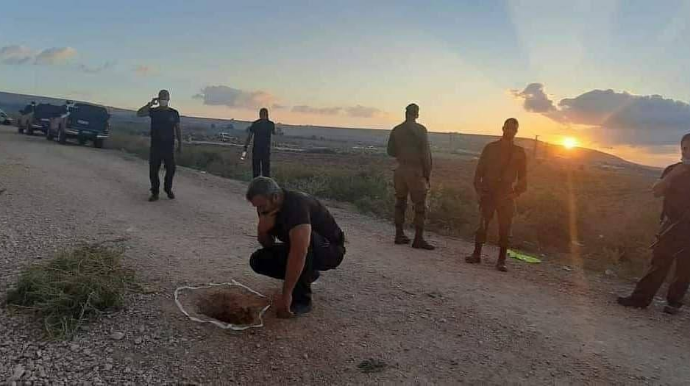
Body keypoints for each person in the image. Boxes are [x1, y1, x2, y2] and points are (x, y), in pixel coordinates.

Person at [246, 177, 346, 317]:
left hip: (331, 251)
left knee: (304, 244)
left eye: (261, 206)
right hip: (303, 248)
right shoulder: (266, 208)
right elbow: (268, 245)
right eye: (256, 207)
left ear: (275, 197)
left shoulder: (297, 206)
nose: (259, 210)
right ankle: (308, 274)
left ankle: (302, 300)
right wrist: (262, 230)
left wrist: (286, 294)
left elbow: (299, 253)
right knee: (258, 260)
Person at [618, 134, 690, 315]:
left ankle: (674, 303)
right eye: (685, 148)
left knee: (685, 268)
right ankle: (640, 299)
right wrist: (673, 175)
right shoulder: (673, 169)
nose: (687, 152)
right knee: (658, 262)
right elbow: (656, 192)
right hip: (670, 224)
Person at [466, 118, 527, 272]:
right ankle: (476, 254)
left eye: (513, 129)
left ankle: (501, 261)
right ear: (502, 128)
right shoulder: (490, 148)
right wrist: (479, 191)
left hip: (506, 194)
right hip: (488, 192)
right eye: (508, 128)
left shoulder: (519, 152)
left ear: (517, 131)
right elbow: (478, 172)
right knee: (482, 226)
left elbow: (523, 177)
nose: (510, 131)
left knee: (505, 229)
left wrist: (516, 193)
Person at [386, 103, 434, 250]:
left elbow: (390, 151)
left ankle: (399, 235)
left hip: (400, 170)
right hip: (415, 171)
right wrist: (427, 174)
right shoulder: (420, 130)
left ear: (405, 113)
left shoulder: (396, 130)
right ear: (417, 114)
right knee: (420, 206)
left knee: (400, 202)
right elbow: (425, 154)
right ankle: (418, 239)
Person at [137, 90, 182, 202]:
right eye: (161, 97)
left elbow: (178, 129)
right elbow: (139, 113)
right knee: (153, 171)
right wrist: (150, 104)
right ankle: (155, 192)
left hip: (168, 146)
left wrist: (180, 144)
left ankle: (167, 189)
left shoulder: (174, 113)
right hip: (156, 146)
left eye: (165, 97)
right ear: (158, 98)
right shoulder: (153, 111)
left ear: (169, 99)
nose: (164, 100)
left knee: (171, 169)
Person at [244, 108, 276, 178]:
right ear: (267, 114)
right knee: (266, 171)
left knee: (256, 171)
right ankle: (266, 186)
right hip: (266, 150)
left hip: (256, 150)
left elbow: (249, 136)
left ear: (259, 114)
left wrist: (246, 146)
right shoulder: (270, 124)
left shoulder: (255, 123)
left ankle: (256, 186)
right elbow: (274, 134)